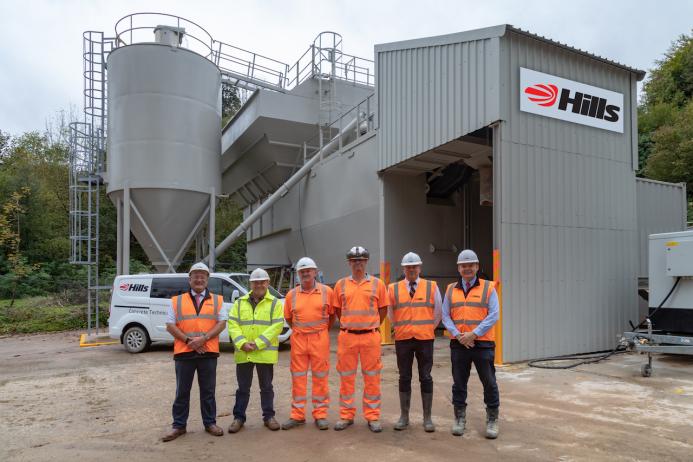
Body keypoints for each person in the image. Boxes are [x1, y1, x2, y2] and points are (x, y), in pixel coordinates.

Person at [162, 262, 227, 442]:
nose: (199, 279)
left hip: (208, 352)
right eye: (195, 276)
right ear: (189, 279)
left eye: (202, 276)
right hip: (184, 352)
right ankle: (178, 426)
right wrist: (189, 341)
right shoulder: (177, 300)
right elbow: (170, 325)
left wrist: (203, 339)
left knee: (208, 391)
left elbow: (222, 323)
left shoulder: (217, 300)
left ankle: (210, 423)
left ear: (207, 280)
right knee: (182, 391)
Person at [442, 249, 500, 439]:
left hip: (482, 343)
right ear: (459, 268)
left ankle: (492, 420)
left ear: (476, 266)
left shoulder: (488, 288)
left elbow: (494, 315)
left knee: (489, 382)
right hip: (459, 344)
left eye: (470, 265)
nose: (467, 268)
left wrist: (473, 334)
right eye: (463, 265)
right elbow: (445, 315)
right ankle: (459, 419)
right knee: (459, 383)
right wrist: (459, 335)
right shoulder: (451, 289)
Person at [333, 246, 389, 433]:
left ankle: (373, 417)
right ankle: (346, 415)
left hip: (370, 337)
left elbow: (383, 310)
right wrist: (351, 324)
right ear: (349, 263)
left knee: (372, 378)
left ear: (366, 262)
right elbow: (338, 311)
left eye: (361, 260)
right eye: (354, 260)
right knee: (346, 378)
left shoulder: (377, 284)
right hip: (347, 337)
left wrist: (369, 325)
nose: (358, 263)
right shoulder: (340, 285)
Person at [388, 252, 442, 432]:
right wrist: (401, 328)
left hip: (425, 339)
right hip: (403, 339)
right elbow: (391, 315)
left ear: (420, 268)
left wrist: (427, 328)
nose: (411, 269)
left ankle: (427, 418)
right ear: (404, 269)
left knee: (425, 377)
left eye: (414, 266)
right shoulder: (393, 288)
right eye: (408, 267)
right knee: (404, 377)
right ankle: (404, 417)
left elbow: (438, 313)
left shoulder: (431, 286)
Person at [281, 257, 336, 431]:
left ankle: (320, 415)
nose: (305, 273)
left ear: (315, 271)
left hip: (319, 338)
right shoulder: (291, 295)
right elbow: (289, 319)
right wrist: (301, 331)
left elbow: (332, 316)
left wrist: (318, 331)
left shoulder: (327, 292)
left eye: (308, 270)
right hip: (299, 340)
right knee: (298, 378)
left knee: (320, 377)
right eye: (302, 271)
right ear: (298, 274)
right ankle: (297, 415)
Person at [227, 268, 284, 433]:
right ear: (250, 283)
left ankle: (269, 417)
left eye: (262, 282)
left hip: (264, 354)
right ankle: (238, 418)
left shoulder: (275, 303)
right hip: (244, 353)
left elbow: (277, 326)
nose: (259, 284)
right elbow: (233, 324)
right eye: (255, 282)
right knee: (242, 388)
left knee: (266, 387)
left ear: (268, 283)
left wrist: (257, 343)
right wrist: (242, 343)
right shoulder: (239, 303)